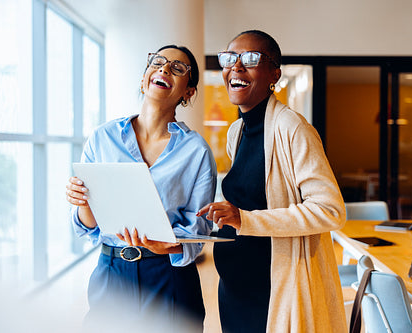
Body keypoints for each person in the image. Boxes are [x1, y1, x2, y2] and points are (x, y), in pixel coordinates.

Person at [197, 30, 347, 332]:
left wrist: (245, 219)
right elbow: (251, 199)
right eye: (229, 58)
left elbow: (330, 209)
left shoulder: (293, 127)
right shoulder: (235, 132)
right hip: (234, 287)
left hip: (274, 289)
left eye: (251, 59)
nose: (236, 67)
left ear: (273, 74)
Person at [66, 45, 217, 331]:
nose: (164, 69)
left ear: (189, 92)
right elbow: (88, 226)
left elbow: (197, 235)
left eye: (177, 67)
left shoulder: (196, 151)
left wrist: (168, 246)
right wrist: (81, 200)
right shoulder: (102, 138)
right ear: (144, 78)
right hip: (111, 272)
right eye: (158, 62)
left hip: (167, 275)